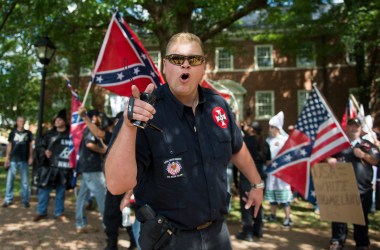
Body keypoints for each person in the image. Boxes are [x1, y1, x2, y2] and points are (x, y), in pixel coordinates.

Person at [105, 32, 263, 250]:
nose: (185, 65)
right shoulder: (145, 112)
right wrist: (129, 125)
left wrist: (257, 183)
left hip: (218, 234)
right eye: (177, 59)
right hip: (168, 239)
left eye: (194, 59)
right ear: (165, 66)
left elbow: (236, 146)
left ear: (203, 66)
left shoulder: (219, 105)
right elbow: (116, 185)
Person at [327, 118, 379, 250]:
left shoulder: (367, 145)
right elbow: (326, 156)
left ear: (360, 129)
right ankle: (337, 241)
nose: (353, 129)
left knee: (361, 219)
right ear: (346, 128)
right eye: (351, 126)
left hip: (363, 190)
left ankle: (362, 243)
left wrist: (363, 155)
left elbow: (376, 161)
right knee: (339, 217)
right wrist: (329, 159)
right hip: (341, 189)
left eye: (356, 126)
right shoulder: (339, 145)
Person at [33, 109, 74, 221]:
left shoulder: (71, 135)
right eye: (56, 119)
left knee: (61, 192)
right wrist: (44, 152)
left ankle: (59, 213)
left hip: (63, 169)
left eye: (60, 119)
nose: (57, 121)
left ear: (65, 121)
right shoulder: (48, 134)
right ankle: (41, 212)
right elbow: (39, 147)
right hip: (49, 167)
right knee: (44, 190)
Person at [236, 121, 271, 242]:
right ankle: (258, 230)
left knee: (246, 203)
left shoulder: (246, 141)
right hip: (261, 178)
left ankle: (247, 232)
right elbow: (268, 162)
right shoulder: (264, 143)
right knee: (258, 203)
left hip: (247, 177)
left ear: (251, 129)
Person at [75, 109, 107, 233]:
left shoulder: (90, 129)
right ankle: (107, 224)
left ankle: (80, 223)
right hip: (92, 168)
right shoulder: (90, 129)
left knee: (82, 196)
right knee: (101, 195)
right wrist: (104, 150)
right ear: (94, 117)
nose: (100, 119)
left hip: (88, 167)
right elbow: (89, 144)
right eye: (99, 116)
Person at [264, 111, 293, 227]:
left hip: (282, 173)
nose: (269, 129)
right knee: (272, 195)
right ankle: (273, 215)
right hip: (272, 172)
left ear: (276, 128)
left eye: (271, 127)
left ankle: (288, 218)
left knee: (284, 196)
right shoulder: (268, 141)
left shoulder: (284, 140)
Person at [2, 116, 33, 208]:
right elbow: (9, 145)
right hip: (13, 160)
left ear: (24, 122)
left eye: (23, 121)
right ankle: (8, 199)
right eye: (20, 121)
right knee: (10, 180)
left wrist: (31, 157)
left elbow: (31, 146)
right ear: (17, 122)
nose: (21, 122)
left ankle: (25, 200)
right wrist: (7, 158)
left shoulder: (28, 133)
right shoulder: (12, 132)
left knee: (25, 181)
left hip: (24, 159)